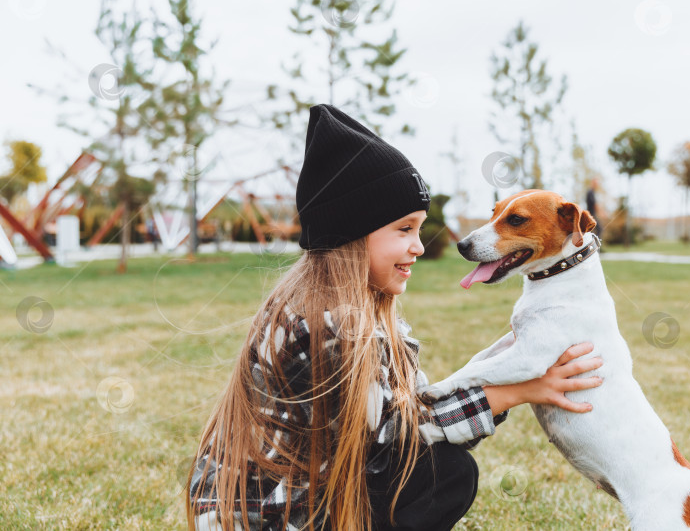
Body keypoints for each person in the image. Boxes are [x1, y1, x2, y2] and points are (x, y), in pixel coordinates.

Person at [185, 104, 603, 531]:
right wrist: (520, 389)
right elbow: (402, 435)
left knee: (439, 467)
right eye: (404, 229)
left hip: (293, 502)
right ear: (351, 232)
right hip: (274, 518)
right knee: (444, 475)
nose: (420, 246)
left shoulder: (349, 309)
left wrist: (505, 368)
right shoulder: (332, 324)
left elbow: (417, 414)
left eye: (419, 229)